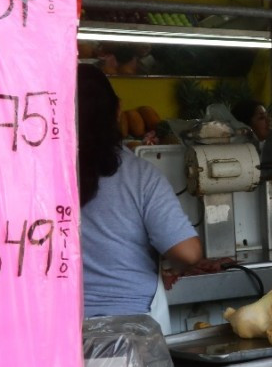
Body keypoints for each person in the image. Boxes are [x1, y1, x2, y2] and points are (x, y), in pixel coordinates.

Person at [77, 65, 201, 319]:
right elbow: (187, 252)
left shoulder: (38, 174)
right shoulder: (139, 175)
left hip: (57, 329)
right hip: (132, 326)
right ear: (118, 110)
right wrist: (170, 263)